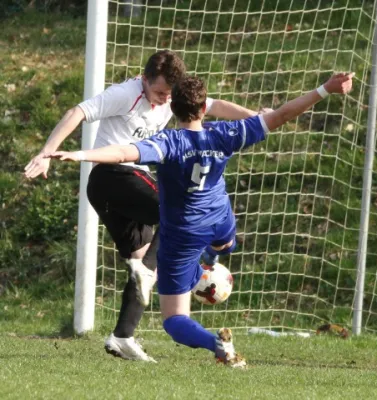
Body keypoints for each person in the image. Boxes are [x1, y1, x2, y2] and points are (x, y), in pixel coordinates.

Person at [45, 72, 354, 367]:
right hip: (220, 221)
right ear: (205, 108)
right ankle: (209, 261)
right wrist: (325, 89)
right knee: (223, 243)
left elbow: (124, 152)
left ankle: (215, 341)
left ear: (172, 108)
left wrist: (81, 154)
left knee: (175, 320)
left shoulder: (168, 143)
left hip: (182, 232)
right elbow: (282, 115)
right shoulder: (227, 133)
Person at [23, 50, 266, 362]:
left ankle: (122, 336)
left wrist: (255, 117)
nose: (164, 99)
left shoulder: (172, 100)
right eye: (159, 92)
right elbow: (77, 112)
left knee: (141, 260)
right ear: (144, 79)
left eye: (169, 94)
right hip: (113, 177)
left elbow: (213, 105)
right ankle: (150, 272)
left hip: (117, 191)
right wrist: (47, 152)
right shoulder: (125, 94)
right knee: (174, 218)